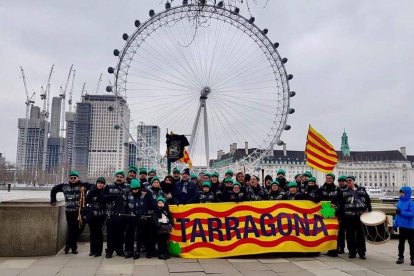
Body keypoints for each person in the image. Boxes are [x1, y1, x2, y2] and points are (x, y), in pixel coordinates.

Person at [50, 171, 93, 254]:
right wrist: (53, 200)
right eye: (71, 178)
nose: (73, 179)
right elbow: (54, 189)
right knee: (71, 229)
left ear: (78, 178)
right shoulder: (64, 186)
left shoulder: (83, 185)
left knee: (80, 228)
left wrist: (89, 197)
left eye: (75, 178)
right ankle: (73, 247)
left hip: (80, 211)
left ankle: (69, 245)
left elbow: (95, 187)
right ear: (69, 178)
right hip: (69, 212)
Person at [124, 179, 157, 259]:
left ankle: (138, 251)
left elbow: (150, 205)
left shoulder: (145, 194)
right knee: (129, 235)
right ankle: (130, 251)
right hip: (131, 217)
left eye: (137, 189)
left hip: (142, 218)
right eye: (133, 189)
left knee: (140, 235)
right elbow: (125, 205)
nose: (135, 191)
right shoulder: (129, 194)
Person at [342, 176, 371, 259]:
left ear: (354, 181)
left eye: (350, 180)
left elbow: (368, 201)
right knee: (349, 235)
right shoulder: (343, 192)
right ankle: (352, 252)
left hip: (360, 216)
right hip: (349, 216)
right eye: (346, 181)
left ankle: (362, 252)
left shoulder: (362, 190)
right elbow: (341, 204)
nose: (348, 182)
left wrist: (369, 211)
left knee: (361, 235)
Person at [103, 170, 129, 258]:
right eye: (117, 176)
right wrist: (114, 197)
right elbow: (103, 197)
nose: (119, 178)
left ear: (124, 178)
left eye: (121, 177)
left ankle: (120, 250)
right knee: (110, 234)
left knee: (121, 234)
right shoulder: (109, 186)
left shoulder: (127, 187)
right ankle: (109, 251)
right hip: (111, 214)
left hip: (122, 215)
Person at [85, 177, 107, 257]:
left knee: (99, 233)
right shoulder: (92, 191)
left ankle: (98, 251)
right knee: (92, 233)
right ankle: (92, 250)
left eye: (102, 183)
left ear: (104, 184)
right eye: (99, 183)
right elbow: (87, 200)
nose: (100, 185)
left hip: (100, 215)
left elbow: (104, 202)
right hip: (92, 215)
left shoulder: (105, 192)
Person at [394, 186, 414, 265]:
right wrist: (395, 224)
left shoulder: (411, 203)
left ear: (407, 193)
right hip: (402, 226)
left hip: (410, 227)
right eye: (400, 192)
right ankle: (400, 257)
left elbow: (412, 214)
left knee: (412, 244)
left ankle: (413, 259)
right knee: (401, 244)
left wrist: (401, 212)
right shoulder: (399, 202)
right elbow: (397, 215)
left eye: (402, 192)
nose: (401, 194)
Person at [337, 175, 348, 254]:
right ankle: (341, 247)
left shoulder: (350, 190)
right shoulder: (336, 190)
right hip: (340, 215)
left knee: (350, 233)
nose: (341, 183)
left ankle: (352, 249)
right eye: (340, 181)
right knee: (340, 233)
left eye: (342, 181)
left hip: (349, 215)